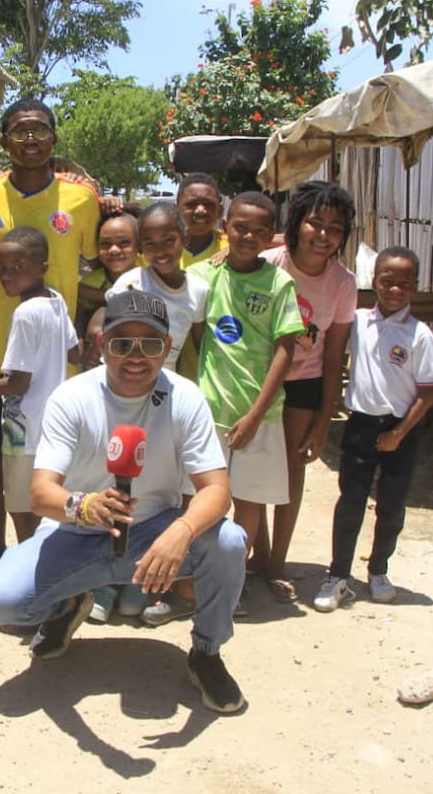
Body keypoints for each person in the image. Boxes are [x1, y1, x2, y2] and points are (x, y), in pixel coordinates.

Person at [0, 289, 249, 713]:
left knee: (229, 542)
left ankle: (207, 653)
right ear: (102, 345)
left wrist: (181, 530)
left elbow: (217, 488)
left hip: (151, 532)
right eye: (123, 344)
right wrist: (84, 506)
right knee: (1, 601)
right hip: (74, 532)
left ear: (168, 347)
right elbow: (41, 494)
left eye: (150, 345)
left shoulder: (185, 397)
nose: (136, 357)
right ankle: (68, 606)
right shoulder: (71, 397)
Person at [146, 192, 302, 624]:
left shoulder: (279, 284)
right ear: (225, 229)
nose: (248, 236)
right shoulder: (203, 276)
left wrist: (255, 414)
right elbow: (194, 330)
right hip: (208, 412)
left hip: (260, 416)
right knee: (193, 497)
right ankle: (185, 580)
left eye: (259, 231)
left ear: (270, 236)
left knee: (248, 501)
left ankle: (232, 578)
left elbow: (286, 349)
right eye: (240, 228)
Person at [0, 98, 101, 566]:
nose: (31, 139)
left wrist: (100, 317)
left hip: (59, 365)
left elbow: (101, 261)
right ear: (5, 141)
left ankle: (52, 555)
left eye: (40, 130)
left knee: (57, 461)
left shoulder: (81, 199)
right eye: (20, 132)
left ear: (54, 139)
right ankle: (1, 551)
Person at [314, 247, 433, 612]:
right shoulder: (358, 321)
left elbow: (427, 393)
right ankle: (337, 574)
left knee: (392, 504)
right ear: (374, 281)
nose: (395, 290)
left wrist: (398, 434)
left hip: (401, 429)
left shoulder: (420, 335)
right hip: (360, 426)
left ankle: (379, 570)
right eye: (387, 281)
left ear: (415, 286)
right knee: (351, 501)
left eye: (404, 283)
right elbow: (323, 336)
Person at [250, 181, 357, 603]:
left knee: (292, 470)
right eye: (316, 222)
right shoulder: (266, 264)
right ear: (297, 223)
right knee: (255, 467)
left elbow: (333, 357)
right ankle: (257, 555)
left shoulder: (343, 283)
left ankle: (277, 562)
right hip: (258, 380)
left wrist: (323, 424)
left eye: (335, 227)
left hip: (305, 384)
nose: (324, 234)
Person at [0, 227, 79, 542]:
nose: (7, 275)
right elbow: (75, 352)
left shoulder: (24, 312)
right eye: (2, 267)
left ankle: (31, 571)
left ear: (42, 267)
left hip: (24, 432)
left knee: (23, 513)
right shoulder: (56, 300)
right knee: (48, 509)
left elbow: (18, 384)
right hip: (53, 427)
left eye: (18, 267)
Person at [107, 201, 207, 374]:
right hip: (125, 375)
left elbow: (200, 344)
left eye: (169, 241)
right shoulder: (131, 283)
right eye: (150, 244)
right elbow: (110, 335)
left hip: (165, 380)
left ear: (185, 239)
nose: (160, 251)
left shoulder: (198, 290)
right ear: (141, 247)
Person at [174, 173, 226, 379]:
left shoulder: (234, 250)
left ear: (220, 210)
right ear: (177, 208)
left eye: (208, 204)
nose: (201, 210)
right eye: (192, 204)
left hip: (220, 373)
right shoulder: (159, 251)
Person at [76, 208, 143, 337]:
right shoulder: (89, 283)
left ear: (139, 245)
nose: (113, 250)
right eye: (105, 243)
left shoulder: (149, 277)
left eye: (124, 243)